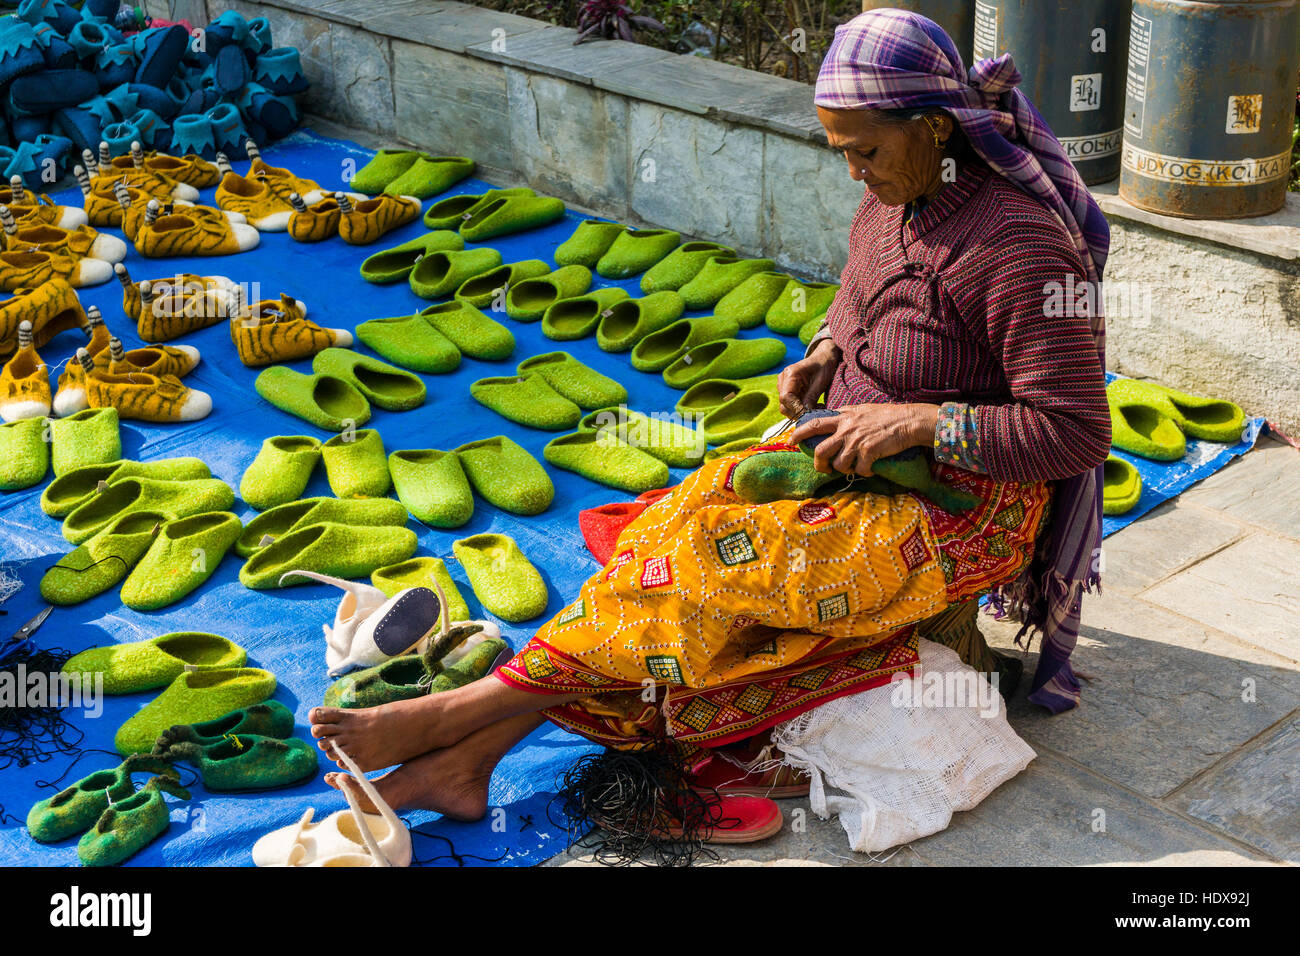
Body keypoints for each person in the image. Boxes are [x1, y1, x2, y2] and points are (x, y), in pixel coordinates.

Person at [308, 8, 1111, 845]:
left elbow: (1074, 431)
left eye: (864, 150)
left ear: (937, 127)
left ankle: (464, 715)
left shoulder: (1020, 248)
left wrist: (919, 422)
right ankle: (464, 764)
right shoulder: (892, 199)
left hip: (961, 506)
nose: (852, 172)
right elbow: (858, 291)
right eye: (839, 151)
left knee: (703, 574)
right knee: (672, 529)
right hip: (845, 451)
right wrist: (828, 349)